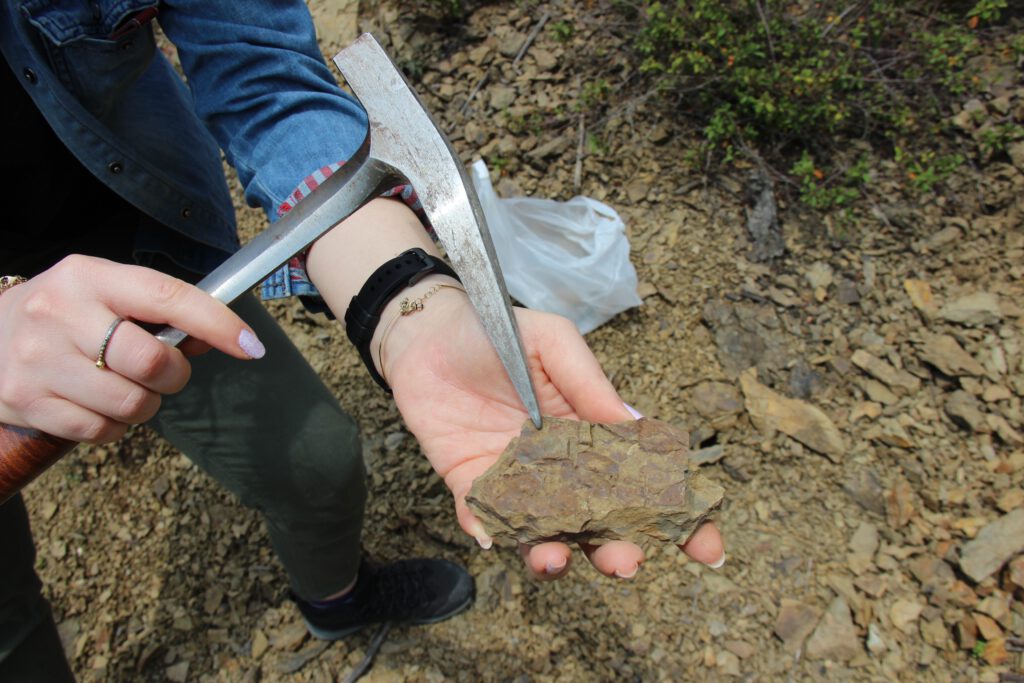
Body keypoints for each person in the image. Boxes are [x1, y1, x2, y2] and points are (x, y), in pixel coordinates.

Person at [0, 2, 724, 680]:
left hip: (150, 239)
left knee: (315, 463)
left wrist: (412, 304)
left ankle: (337, 599)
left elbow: (261, 74)